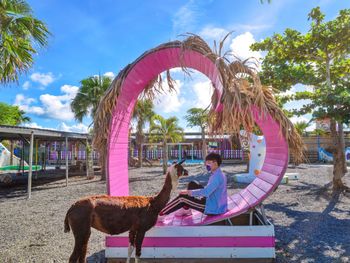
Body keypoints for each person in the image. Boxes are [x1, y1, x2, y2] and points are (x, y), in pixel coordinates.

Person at [159, 152, 227, 217]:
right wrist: (192, 193)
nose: (206, 165)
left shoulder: (217, 177)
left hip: (212, 209)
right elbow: (210, 190)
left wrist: (189, 192)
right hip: (214, 203)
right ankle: (186, 209)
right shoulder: (219, 174)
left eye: (209, 163)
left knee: (182, 198)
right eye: (206, 163)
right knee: (192, 184)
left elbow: (206, 192)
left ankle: (160, 214)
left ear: (215, 163)